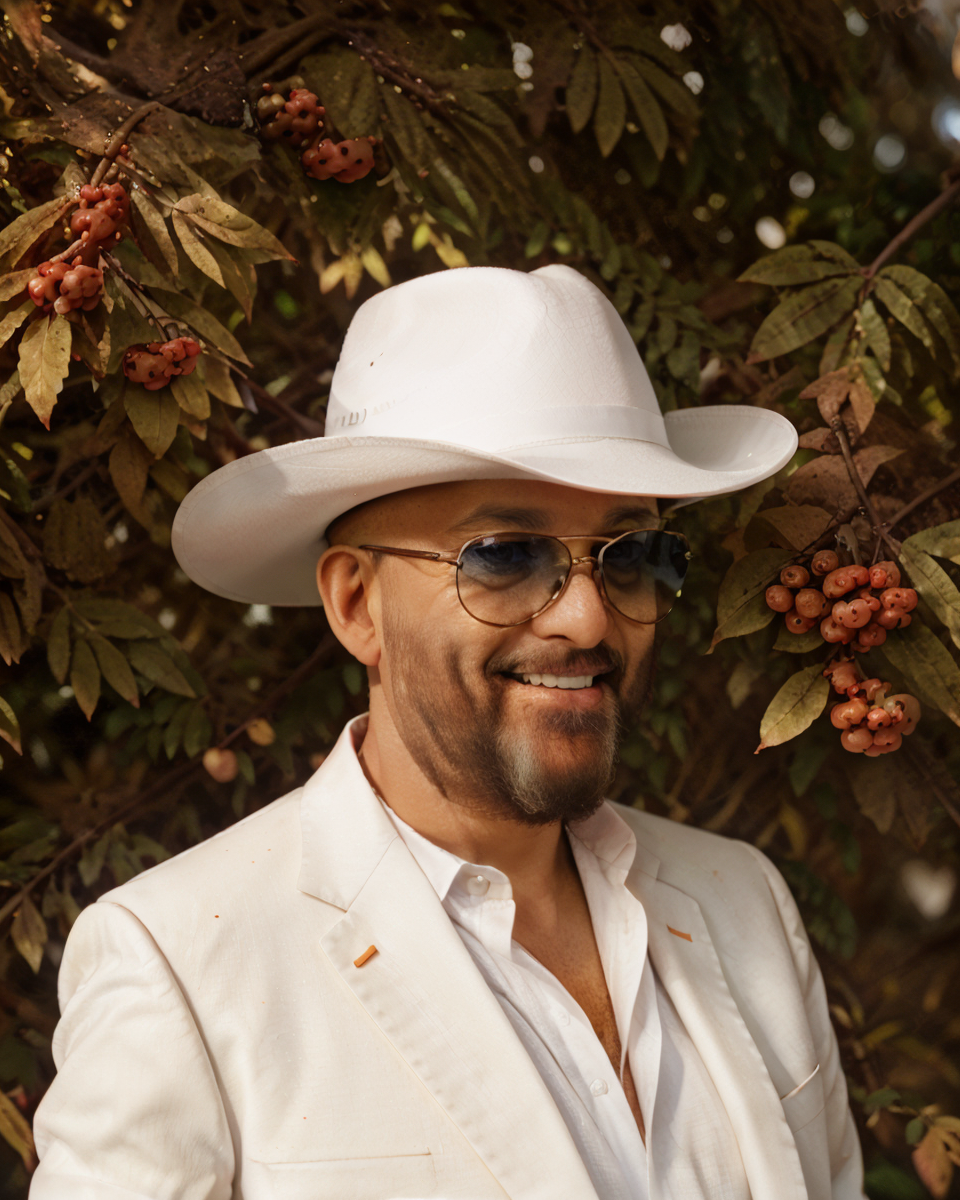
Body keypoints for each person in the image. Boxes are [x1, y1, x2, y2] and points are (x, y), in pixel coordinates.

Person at [30, 265, 865, 1200]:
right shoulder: (180, 962)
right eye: (506, 555)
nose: (587, 619)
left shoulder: (742, 900)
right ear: (357, 605)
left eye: (629, 555)